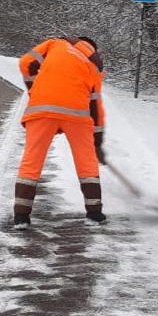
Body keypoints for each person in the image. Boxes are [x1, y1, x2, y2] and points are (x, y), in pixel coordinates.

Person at [13, 35, 106, 229]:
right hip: (78, 114)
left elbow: (25, 63)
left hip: (41, 109)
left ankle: (21, 217)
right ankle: (95, 214)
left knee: (32, 159)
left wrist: (34, 89)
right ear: (92, 48)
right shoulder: (94, 63)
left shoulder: (55, 44)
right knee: (87, 162)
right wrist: (97, 141)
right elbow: (95, 103)